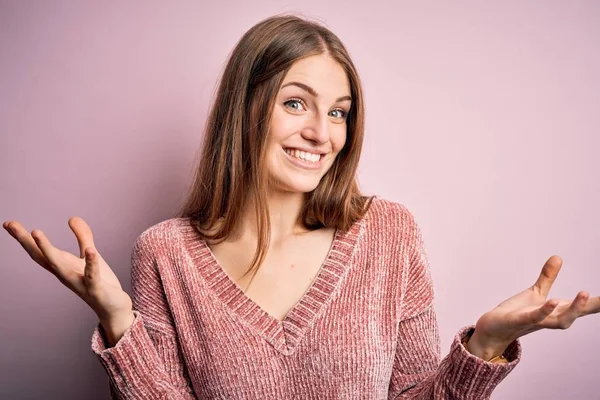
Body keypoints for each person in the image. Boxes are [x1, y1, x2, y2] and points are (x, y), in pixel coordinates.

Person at [3, 14, 598, 400]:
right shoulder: (164, 253)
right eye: (296, 103)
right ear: (246, 108)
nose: (322, 132)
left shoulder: (390, 232)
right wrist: (118, 320)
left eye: (339, 111)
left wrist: (483, 347)